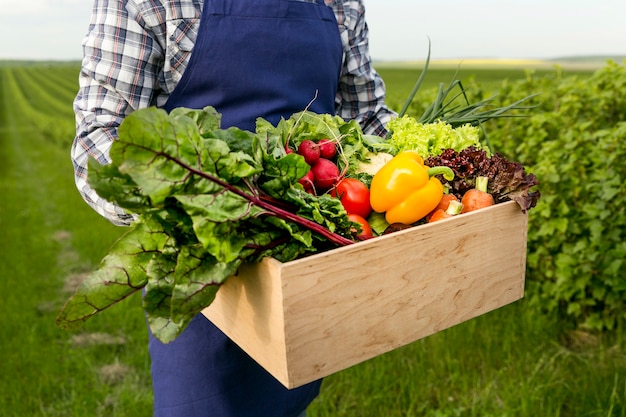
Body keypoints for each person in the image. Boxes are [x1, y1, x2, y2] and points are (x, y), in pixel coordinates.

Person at [71, 0, 396, 416]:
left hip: (306, 261)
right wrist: (205, 207)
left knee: (289, 396)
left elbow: (366, 119)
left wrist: (447, 169)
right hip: (201, 273)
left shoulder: (340, 4)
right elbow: (99, 139)